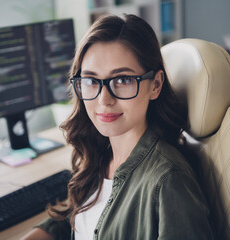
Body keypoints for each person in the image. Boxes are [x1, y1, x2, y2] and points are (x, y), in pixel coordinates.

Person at [22, 14, 214, 240]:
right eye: (91, 80)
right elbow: (82, 216)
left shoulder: (169, 180)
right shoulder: (101, 153)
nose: (104, 99)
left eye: (122, 80)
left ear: (156, 85)